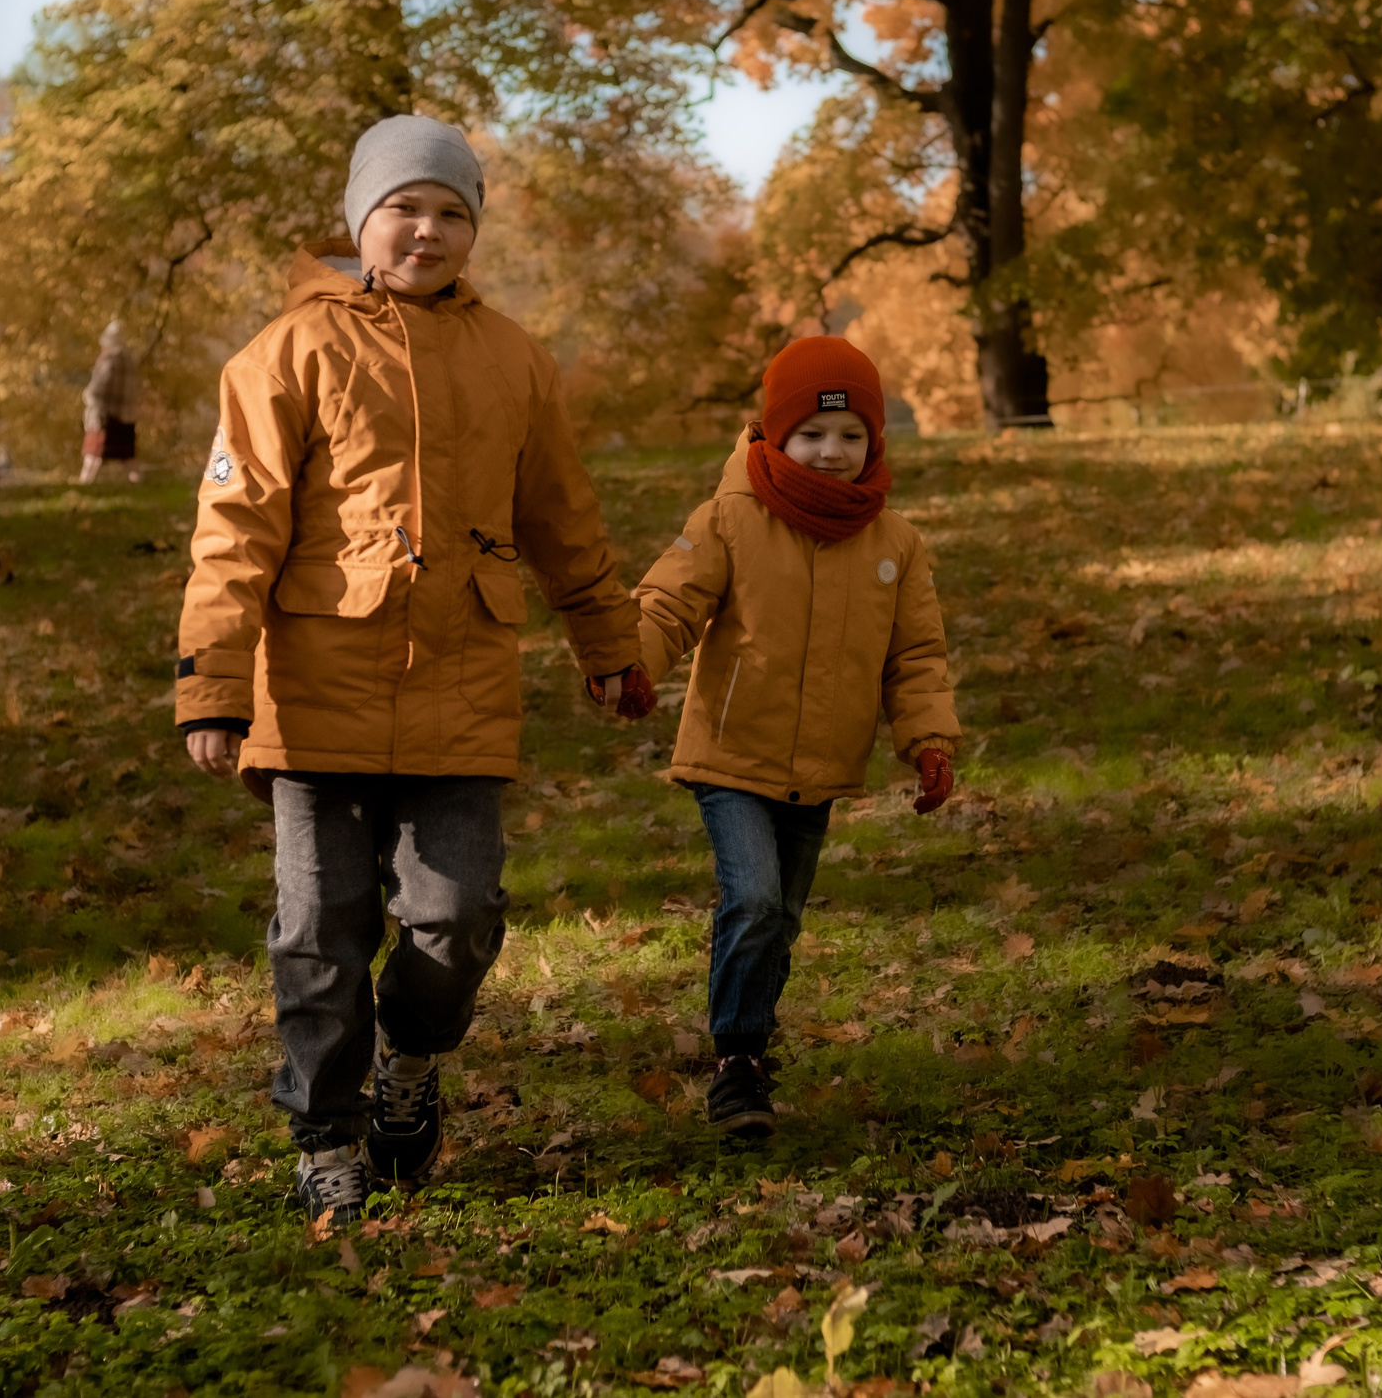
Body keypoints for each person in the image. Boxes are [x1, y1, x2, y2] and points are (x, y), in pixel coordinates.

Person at [174, 114, 657, 1226]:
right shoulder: (285, 353)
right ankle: (326, 1133)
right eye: (405, 208)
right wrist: (213, 684)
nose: (428, 230)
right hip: (317, 686)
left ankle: (411, 1056)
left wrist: (606, 642)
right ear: (361, 221)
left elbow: (563, 521)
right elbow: (234, 524)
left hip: (461, 683)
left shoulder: (513, 360)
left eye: (451, 212)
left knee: (455, 922)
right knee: (318, 932)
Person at [631, 337, 960, 1139]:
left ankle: (753, 1033)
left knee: (783, 915)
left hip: (821, 763)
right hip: (731, 751)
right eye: (812, 433)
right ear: (776, 434)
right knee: (754, 896)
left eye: (852, 436)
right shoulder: (730, 518)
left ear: (875, 442)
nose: (832, 451)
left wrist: (928, 738)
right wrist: (630, 665)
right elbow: (668, 605)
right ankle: (737, 1058)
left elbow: (915, 655)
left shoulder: (895, 543)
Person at [80, 319, 141, 483]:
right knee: (129, 459)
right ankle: (138, 486)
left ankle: (83, 486)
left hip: (105, 416)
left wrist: (88, 397)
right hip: (127, 417)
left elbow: (97, 390)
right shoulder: (131, 360)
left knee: (92, 457)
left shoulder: (109, 360)